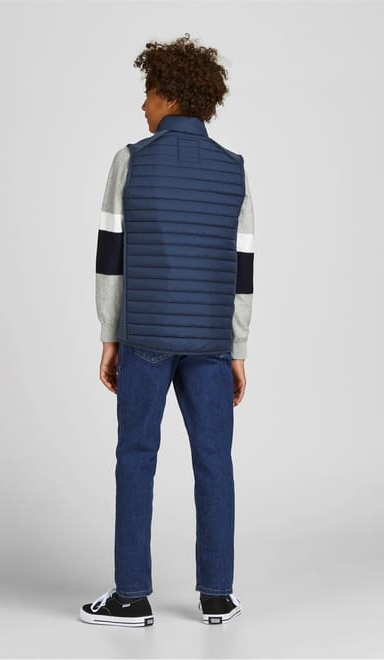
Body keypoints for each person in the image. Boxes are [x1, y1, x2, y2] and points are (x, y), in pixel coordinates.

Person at [80, 33, 254, 627]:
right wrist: (238, 348)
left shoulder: (129, 160)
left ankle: (131, 597)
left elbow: (110, 258)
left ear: (170, 95)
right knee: (215, 461)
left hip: (145, 338)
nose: (143, 104)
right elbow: (243, 269)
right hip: (211, 342)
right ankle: (217, 596)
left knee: (136, 457)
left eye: (149, 92)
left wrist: (109, 336)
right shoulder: (234, 169)